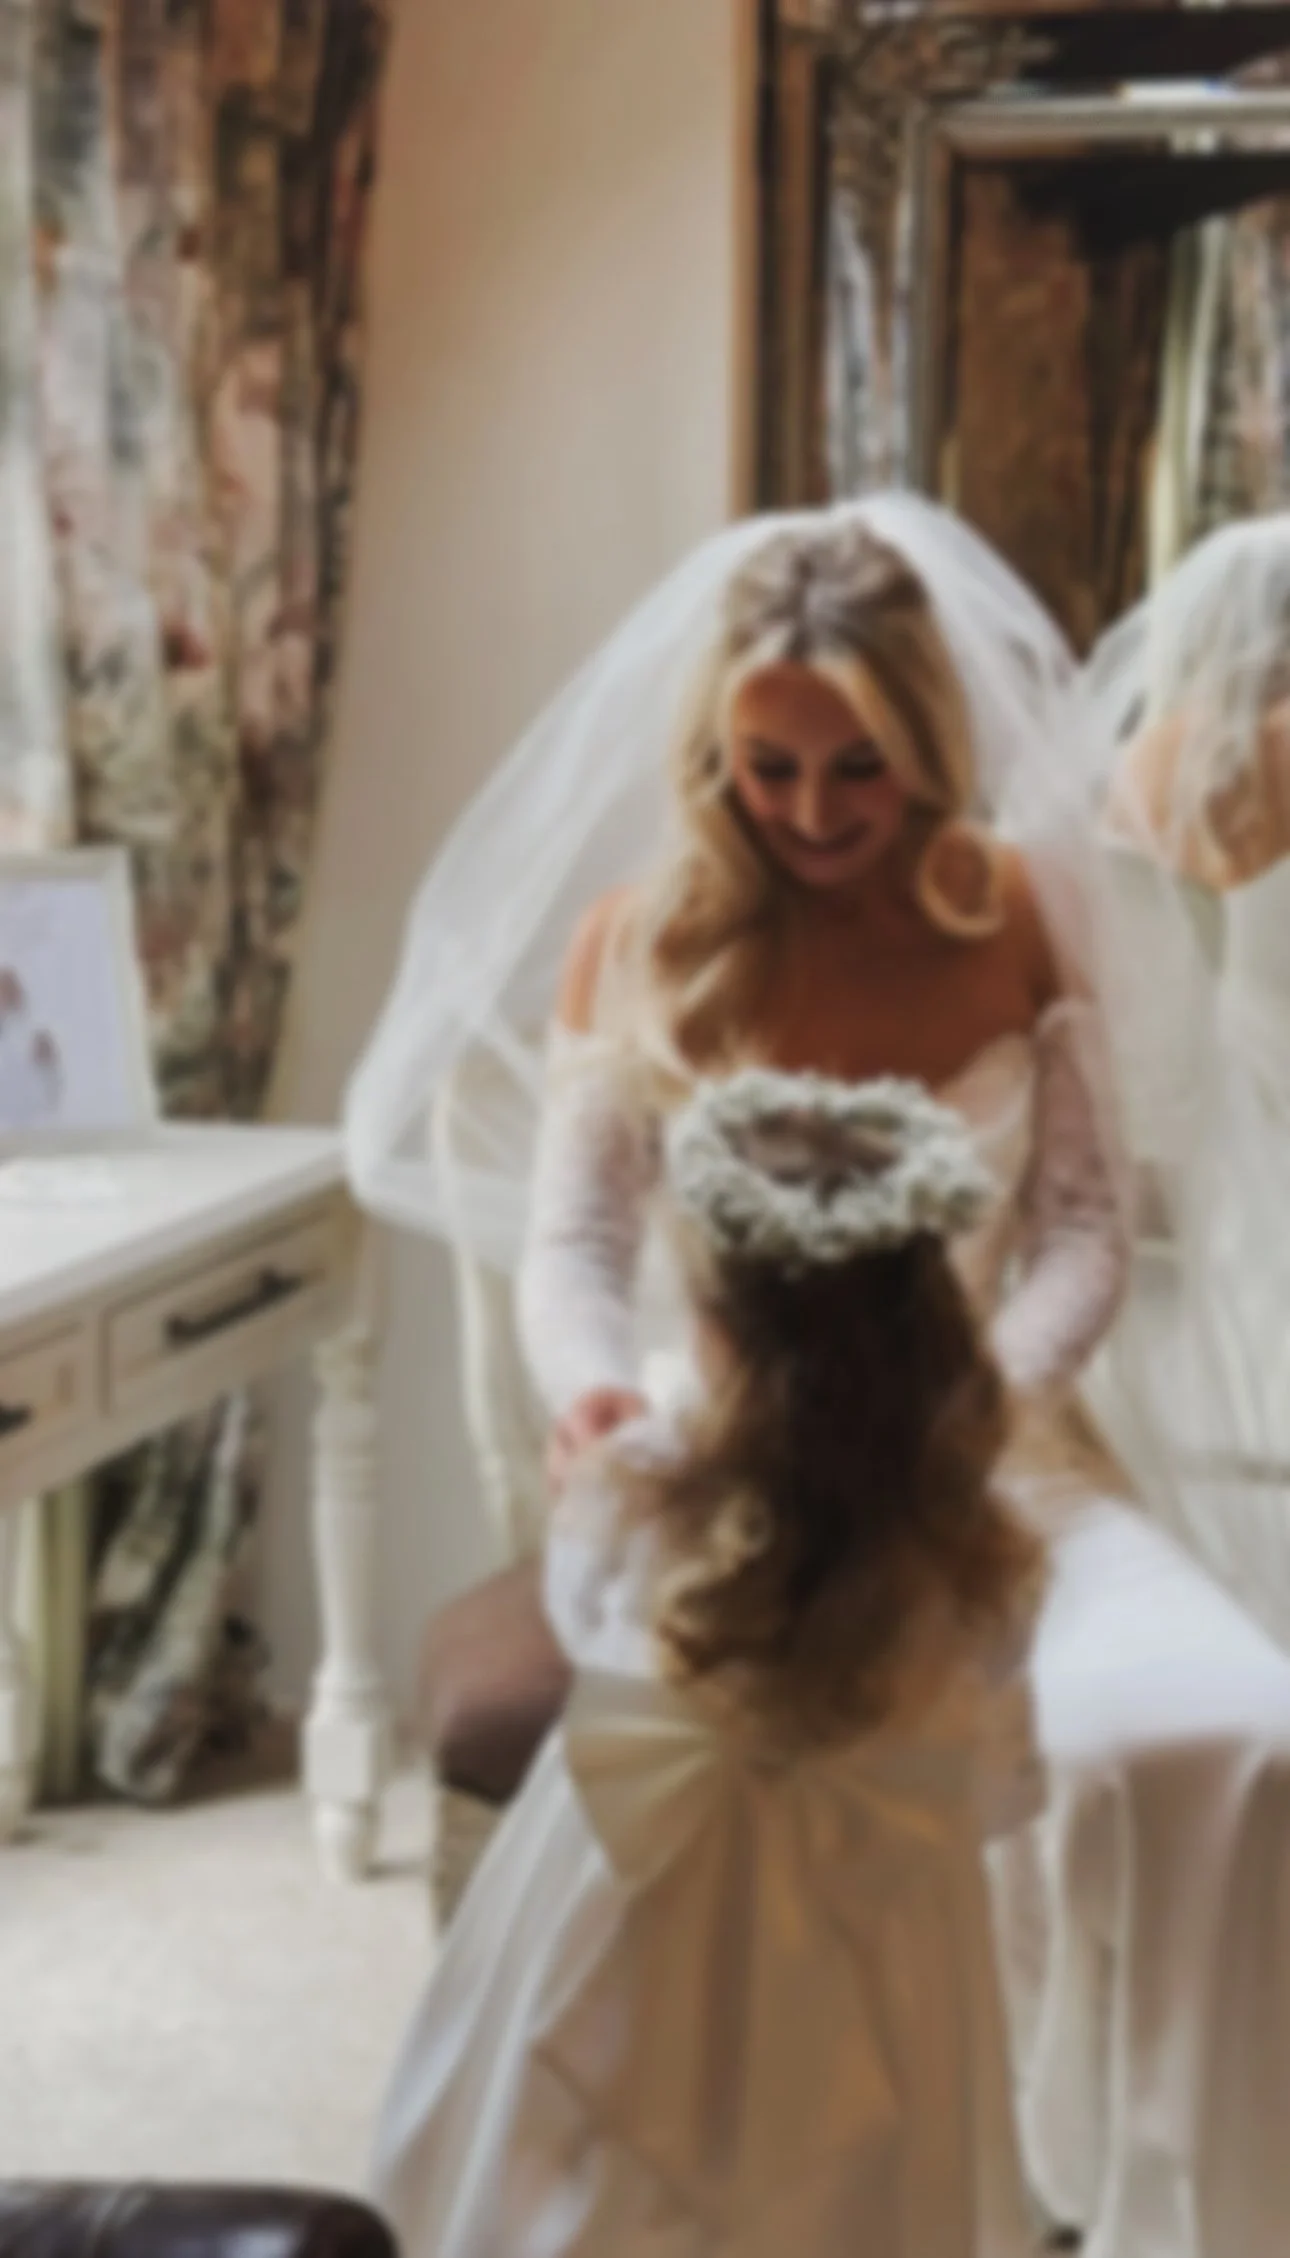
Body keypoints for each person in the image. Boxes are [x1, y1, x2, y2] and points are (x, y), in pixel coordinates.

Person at [346, 497, 1290, 2254]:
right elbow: (573, 1249)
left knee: (1239, 1727)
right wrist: (594, 1392)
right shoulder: (640, 940)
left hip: (1007, 1449)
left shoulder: (1020, 914)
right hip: (726, 1457)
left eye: (857, 768)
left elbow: (1082, 1222)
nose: (812, 815)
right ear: (714, 749)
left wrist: (969, 1394)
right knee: (749, 1764)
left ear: (928, 742)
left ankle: (1179, 2196)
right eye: (767, 768)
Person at [372, 1069, 1046, 2258]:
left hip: (640, 1887)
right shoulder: (970, 1535)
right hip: (872, 1910)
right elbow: (992, 1748)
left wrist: (580, 1491)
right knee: (846, 2163)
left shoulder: (637, 1482)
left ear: (719, 1327)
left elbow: (588, 1631)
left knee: (576, 2156)